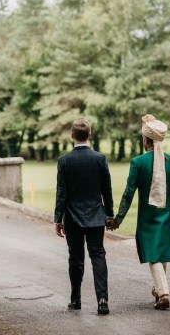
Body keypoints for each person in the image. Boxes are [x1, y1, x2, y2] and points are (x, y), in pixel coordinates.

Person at [109, 114, 170, 310]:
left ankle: (163, 293)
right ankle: (158, 288)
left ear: (145, 139)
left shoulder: (138, 162)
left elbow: (128, 193)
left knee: (153, 254)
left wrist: (118, 218)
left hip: (147, 217)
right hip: (167, 215)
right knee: (160, 251)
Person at [54, 118, 114, 315]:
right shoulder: (100, 159)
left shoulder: (64, 161)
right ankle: (102, 300)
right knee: (98, 255)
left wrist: (58, 219)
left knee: (76, 258)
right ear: (90, 134)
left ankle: (75, 299)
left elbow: (61, 193)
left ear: (72, 136)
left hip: (73, 217)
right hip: (96, 216)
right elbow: (107, 190)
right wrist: (110, 214)